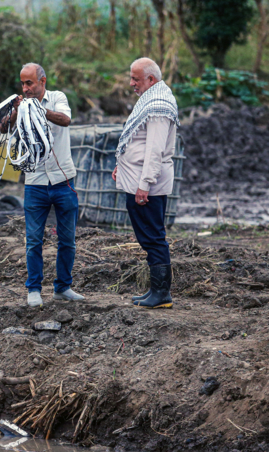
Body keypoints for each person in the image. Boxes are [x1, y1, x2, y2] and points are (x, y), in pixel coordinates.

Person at [1, 63, 84, 308]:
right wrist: (18, 111)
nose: (25, 89)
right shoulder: (21, 105)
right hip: (35, 183)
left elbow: (65, 120)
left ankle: (63, 288)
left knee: (67, 239)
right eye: (23, 84)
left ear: (42, 81)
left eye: (30, 83)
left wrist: (37, 109)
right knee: (34, 239)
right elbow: (4, 127)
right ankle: (34, 289)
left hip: (62, 180)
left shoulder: (57, 98)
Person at [112, 57, 179, 309]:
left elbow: (154, 150)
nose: (131, 83)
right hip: (140, 181)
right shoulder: (152, 100)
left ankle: (162, 293)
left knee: (153, 237)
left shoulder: (159, 105)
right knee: (148, 236)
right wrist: (122, 164)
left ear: (151, 79)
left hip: (147, 186)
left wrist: (145, 184)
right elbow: (139, 141)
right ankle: (156, 290)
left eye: (136, 79)